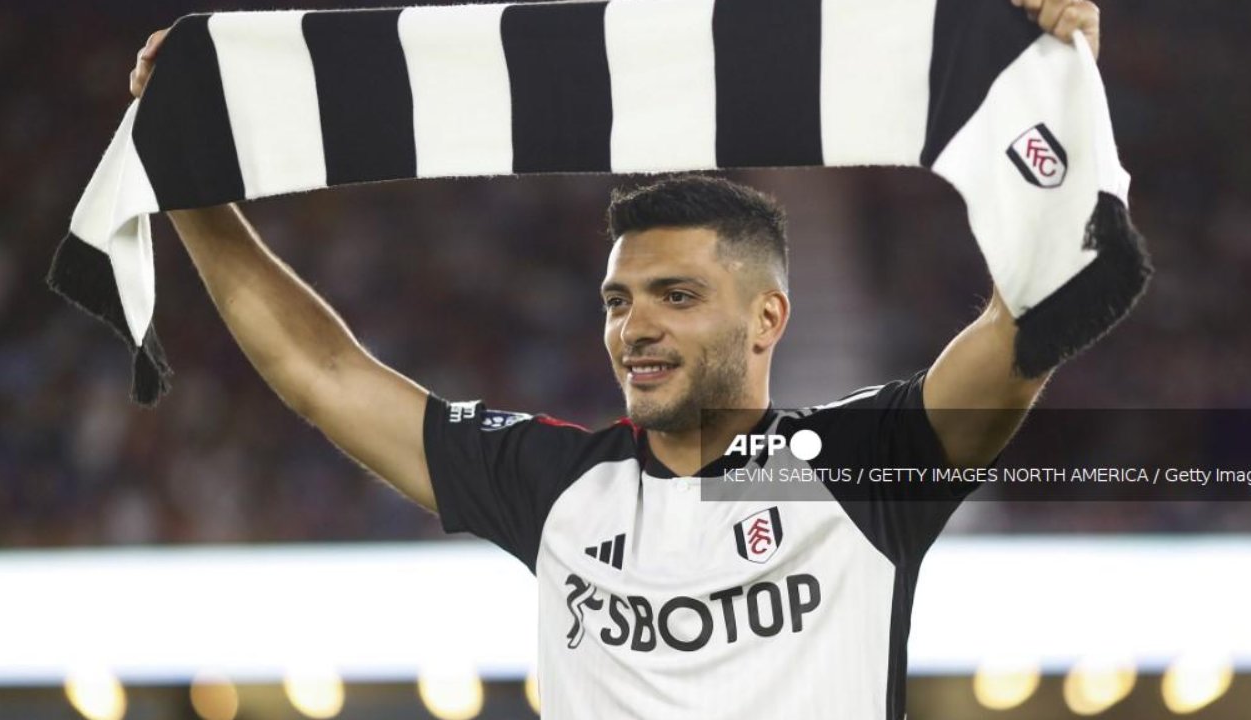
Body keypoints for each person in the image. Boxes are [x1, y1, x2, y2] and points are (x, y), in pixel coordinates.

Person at [130, 1, 1101, 717]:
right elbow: (324, 374)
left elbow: (1024, 333)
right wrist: (188, 188)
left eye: (675, 297)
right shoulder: (557, 486)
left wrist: (1047, 108)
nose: (633, 327)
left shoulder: (855, 470)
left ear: (767, 319)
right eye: (617, 301)